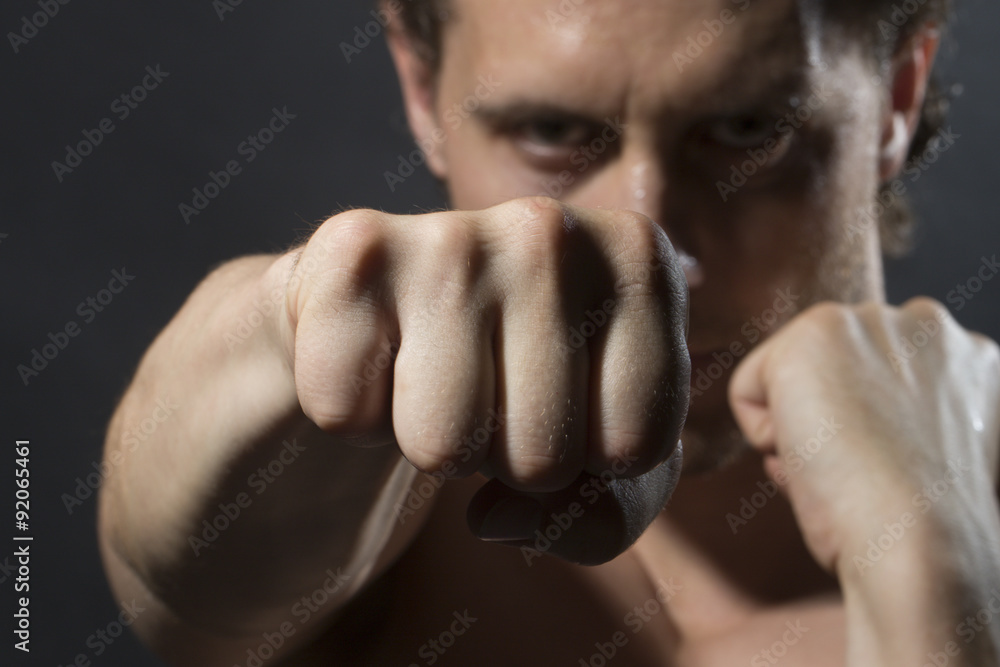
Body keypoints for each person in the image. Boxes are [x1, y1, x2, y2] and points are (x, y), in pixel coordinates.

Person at [97, 0, 1000, 664]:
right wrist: (308, 312)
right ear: (422, 89)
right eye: (551, 130)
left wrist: (933, 568)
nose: (654, 243)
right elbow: (179, 551)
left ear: (896, 96)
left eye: (745, 129)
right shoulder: (361, 486)